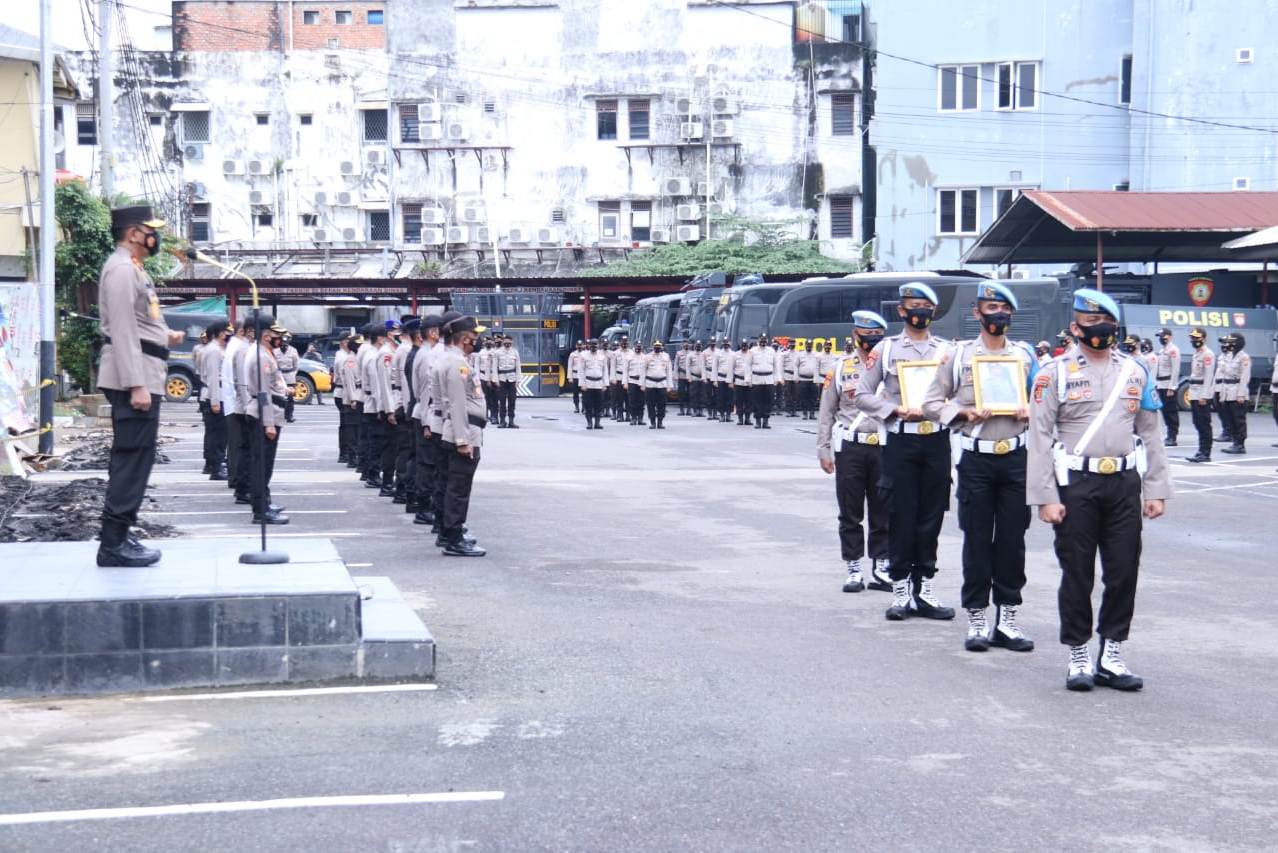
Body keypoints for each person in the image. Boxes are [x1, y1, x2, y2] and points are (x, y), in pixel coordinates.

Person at [1027, 289, 1170, 692]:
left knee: (1123, 571)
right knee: (1077, 572)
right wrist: (1045, 497)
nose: (1100, 329)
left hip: (1124, 483)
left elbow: (1151, 432)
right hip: (1077, 485)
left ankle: (1112, 653)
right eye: (1091, 322)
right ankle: (1078, 653)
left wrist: (1156, 488)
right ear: (1075, 327)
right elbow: (1039, 437)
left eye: (1106, 321)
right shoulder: (1052, 373)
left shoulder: (1136, 371)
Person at [922, 282, 1038, 653]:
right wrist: (963, 413)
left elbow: (1045, 402)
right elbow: (930, 403)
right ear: (977, 313)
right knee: (976, 540)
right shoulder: (958, 356)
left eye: (1004, 309)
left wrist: (1031, 411)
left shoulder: (1025, 356)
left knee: (1012, 541)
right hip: (976, 459)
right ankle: (976, 618)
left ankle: (1007, 620)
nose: (998, 315)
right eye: (991, 308)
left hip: (1016, 458)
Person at [854, 281, 955, 622]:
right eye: (913, 305)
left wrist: (950, 410)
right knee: (900, 515)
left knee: (931, 516)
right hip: (901, 440)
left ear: (933, 311)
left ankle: (924, 588)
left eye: (925, 306)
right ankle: (900, 589)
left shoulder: (947, 350)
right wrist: (894, 410)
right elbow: (862, 394)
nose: (919, 311)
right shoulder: (886, 349)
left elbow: (960, 395)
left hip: (936, 440)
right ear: (901, 310)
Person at [94, 205, 185, 567]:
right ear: (133, 233)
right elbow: (121, 328)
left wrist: (165, 335)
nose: (155, 237)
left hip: (146, 370)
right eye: (150, 230)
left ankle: (120, 534)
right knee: (132, 457)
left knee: (138, 456)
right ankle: (113, 543)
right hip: (133, 377)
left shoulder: (132, 267)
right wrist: (136, 384)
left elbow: (140, 321)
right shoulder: (121, 269)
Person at [817, 311, 891, 595]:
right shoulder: (841, 368)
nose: (871, 340)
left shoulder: (891, 369)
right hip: (851, 446)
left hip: (883, 446)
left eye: (876, 336)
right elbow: (826, 411)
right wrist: (823, 449)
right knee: (850, 511)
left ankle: (881, 566)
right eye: (866, 335)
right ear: (855, 335)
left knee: (883, 510)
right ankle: (854, 567)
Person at [437, 314, 488, 556]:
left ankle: (450, 532)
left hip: (465, 429)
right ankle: (454, 538)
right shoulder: (457, 364)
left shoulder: (455, 360)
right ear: (466, 338)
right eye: (475, 336)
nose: (478, 340)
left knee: (455, 486)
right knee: (459, 488)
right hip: (464, 431)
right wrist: (462, 440)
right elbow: (457, 404)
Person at [243, 319, 290, 525]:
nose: (280, 339)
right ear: (265, 335)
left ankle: (265, 503)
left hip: (269, 412)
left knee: (265, 465)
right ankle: (260, 510)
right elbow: (263, 393)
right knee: (261, 466)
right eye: (276, 334)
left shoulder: (265, 353)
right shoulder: (260, 356)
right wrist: (268, 423)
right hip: (263, 415)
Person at [426, 312, 462, 533]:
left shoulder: (440, 352)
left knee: (443, 476)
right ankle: (444, 525)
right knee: (447, 477)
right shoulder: (444, 354)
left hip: (440, 418)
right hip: (444, 420)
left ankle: (441, 523)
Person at [409, 315, 445, 525]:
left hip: (427, 413)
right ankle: (423, 508)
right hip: (426, 415)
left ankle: (427, 505)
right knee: (427, 464)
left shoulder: (427, 353)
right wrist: (426, 422)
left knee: (431, 464)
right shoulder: (426, 355)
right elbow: (424, 391)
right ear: (433, 332)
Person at [228, 318, 257, 506]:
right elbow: (243, 382)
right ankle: (243, 489)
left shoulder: (250, 348)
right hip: (245, 407)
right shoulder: (243, 350)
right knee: (246, 450)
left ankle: (247, 487)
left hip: (249, 405)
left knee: (250, 449)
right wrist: (249, 407)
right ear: (249, 331)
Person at [395, 318, 423, 507]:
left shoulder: (402, 349)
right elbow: (407, 383)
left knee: (407, 451)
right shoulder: (406, 350)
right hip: (408, 406)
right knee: (408, 452)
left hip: (407, 405)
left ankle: (403, 489)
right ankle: (404, 490)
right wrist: (406, 407)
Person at [358, 322, 389, 487]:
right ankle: (372, 475)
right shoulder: (372, 356)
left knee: (374, 441)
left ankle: (370, 472)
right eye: (385, 337)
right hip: (373, 404)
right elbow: (376, 384)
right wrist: (379, 407)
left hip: (371, 402)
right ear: (379, 339)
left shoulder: (371, 353)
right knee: (376, 442)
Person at [198, 320, 230, 481]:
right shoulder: (214, 351)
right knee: (218, 435)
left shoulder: (213, 349)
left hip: (214, 394)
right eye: (226, 331)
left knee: (213, 433)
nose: (228, 334)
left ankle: (211, 465)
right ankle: (216, 468)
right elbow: (212, 377)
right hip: (215, 394)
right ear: (220, 333)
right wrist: (215, 401)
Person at [376, 320, 402, 496]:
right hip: (390, 404)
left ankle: (390, 482)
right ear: (387, 334)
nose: (397, 334)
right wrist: (389, 410)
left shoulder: (395, 351)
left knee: (396, 447)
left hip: (395, 401)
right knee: (390, 448)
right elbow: (385, 385)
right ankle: (386, 484)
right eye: (394, 332)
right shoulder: (385, 353)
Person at [1185, 327, 1215, 463]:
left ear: (1204, 338)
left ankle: (1205, 452)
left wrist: (1204, 395)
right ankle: (1200, 450)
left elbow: (1208, 376)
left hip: (1202, 392)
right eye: (1193, 338)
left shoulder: (1207, 354)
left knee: (1204, 423)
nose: (1194, 340)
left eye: (1197, 338)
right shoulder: (1197, 353)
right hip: (1194, 391)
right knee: (1197, 422)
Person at [1219, 333, 1251, 455]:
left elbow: (1245, 376)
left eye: (1231, 341)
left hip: (1237, 391)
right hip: (1228, 391)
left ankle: (1240, 444)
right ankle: (1234, 442)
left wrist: (1241, 394)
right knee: (1230, 418)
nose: (1228, 344)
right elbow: (1224, 376)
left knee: (1239, 420)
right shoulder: (1228, 356)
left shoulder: (1244, 357)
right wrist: (1222, 394)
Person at [1153, 327, 1181, 447]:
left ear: (1169, 337)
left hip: (1168, 384)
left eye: (1162, 336)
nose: (1161, 339)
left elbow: (1175, 369)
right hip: (1160, 384)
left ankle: (1172, 436)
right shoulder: (1162, 350)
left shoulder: (1173, 350)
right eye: (1159, 337)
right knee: (1164, 411)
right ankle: (1169, 435)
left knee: (1171, 412)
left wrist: (1172, 387)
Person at [747, 335, 781, 429]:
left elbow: (776, 366)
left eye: (764, 341)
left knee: (768, 400)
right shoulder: (752, 351)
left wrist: (776, 378)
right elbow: (748, 366)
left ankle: (766, 421)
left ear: (767, 341)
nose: (763, 343)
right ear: (758, 341)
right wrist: (748, 379)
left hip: (769, 379)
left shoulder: (771, 351)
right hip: (756, 378)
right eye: (761, 341)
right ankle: (758, 421)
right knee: (757, 400)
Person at [579, 338, 611, 429]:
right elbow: (581, 371)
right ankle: (589, 423)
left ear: (598, 345)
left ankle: (597, 423)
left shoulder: (602, 357)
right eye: (592, 345)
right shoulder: (584, 356)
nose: (594, 346)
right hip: (588, 384)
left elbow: (605, 371)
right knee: (588, 404)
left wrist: (605, 384)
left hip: (599, 384)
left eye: (595, 345)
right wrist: (582, 384)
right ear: (589, 346)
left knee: (599, 405)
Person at [644, 340, 674, 429]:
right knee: (651, 404)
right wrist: (642, 384)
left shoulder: (666, 356)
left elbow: (669, 371)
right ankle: (652, 422)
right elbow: (643, 371)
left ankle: (660, 422)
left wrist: (670, 385)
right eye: (656, 346)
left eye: (659, 346)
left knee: (662, 404)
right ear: (653, 347)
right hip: (650, 383)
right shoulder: (647, 357)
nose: (657, 348)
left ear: (661, 347)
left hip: (662, 383)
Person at [1213, 334, 1236, 445]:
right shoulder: (1221, 356)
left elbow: (1231, 373)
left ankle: (1229, 433)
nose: (1223, 345)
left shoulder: (1233, 356)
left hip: (1226, 387)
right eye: (1222, 343)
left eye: (1225, 343)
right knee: (1220, 411)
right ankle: (1226, 431)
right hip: (1218, 386)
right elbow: (1217, 373)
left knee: (1227, 412)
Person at [495, 335, 521, 428]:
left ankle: (511, 421)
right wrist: (495, 379)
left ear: (511, 342)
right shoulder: (498, 352)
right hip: (501, 379)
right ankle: (502, 421)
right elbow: (494, 367)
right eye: (505, 341)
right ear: (503, 342)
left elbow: (518, 367)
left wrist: (518, 380)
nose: (507, 343)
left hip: (512, 379)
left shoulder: (515, 352)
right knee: (502, 400)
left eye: (509, 342)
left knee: (512, 400)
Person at [275, 333, 299, 423]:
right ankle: (279, 415)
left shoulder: (293, 351)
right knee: (279, 397)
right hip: (279, 375)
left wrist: (293, 374)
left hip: (290, 376)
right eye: (282, 342)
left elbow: (296, 366)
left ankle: (289, 416)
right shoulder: (275, 351)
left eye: (286, 342)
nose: (284, 344)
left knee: (290, 398)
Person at [797, 342, 820, 419]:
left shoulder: (816, 355)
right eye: (807, 345)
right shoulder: (800, 355)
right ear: (805, 345)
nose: (809, 346)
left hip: (813, 379)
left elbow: (818, 367)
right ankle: (805, 413)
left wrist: (817, 379)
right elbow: (796, 366)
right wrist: (796, 377)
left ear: (812, 346)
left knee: (813, 398)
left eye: (810, 345)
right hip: (803, 379)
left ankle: (812, 414)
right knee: (804, 397)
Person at [626, 342, 647, 425]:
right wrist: (625, 383)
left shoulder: (645, 357)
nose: (638, 348)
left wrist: (645, 382)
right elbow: (626, 370)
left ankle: (640, 418)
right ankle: (633, 418)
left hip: (642, 381)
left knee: (641, 401)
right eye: (637, 346)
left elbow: (646, 371)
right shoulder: (629, 357)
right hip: (632, 380)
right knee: (632, 400)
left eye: (639, 346)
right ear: (634, 347)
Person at [733, 339, 752, 426]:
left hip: (749, 382)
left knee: (749, 401)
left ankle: (747, 418)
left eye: (745, 346)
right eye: (743, 345)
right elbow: (732, 368)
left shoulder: (751, 354)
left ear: (748, 346)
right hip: (739, 381)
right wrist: (731, 381)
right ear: (740, 346)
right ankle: (740, 418)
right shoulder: (736, 354)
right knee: (739, 401)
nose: (744, 347)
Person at [688, 341, 705, 417]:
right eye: (697, 345)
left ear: (701, 346)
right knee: (694, 395)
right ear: (694, 346)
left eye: (699, 345)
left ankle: (701, 411)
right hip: (693, 377)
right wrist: (689, 377)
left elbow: (705, 366)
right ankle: (695, 411)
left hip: (702, 378)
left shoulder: (703, 354)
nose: (698, 347)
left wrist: (704, 377)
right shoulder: (690, 355)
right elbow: (688, 367)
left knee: (702, 395)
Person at [568, 340, 584, 414]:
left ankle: (584, 407)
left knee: (584, 393)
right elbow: (570, 366)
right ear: (576, 346)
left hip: (583, 376)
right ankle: (576, 407)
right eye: (578, 345)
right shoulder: (573, 354)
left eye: (581, 345)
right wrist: (570, 377)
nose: (579, 346)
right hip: (575, 375)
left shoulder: (586, 354)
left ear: (583, 345)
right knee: (575, 393)